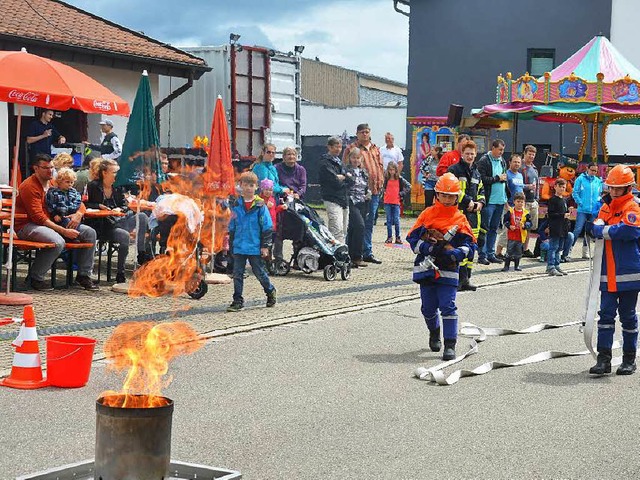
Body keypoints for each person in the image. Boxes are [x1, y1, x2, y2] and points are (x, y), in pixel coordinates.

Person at [406, 173, 476, 361]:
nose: (446, 199)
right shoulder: (427, 214)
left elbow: (470, 245)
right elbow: (412, 239)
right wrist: (427, 247)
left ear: (456, 197)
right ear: (437, 195)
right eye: (443, 195)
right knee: (427, 308)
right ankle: (434, 332)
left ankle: (450, 345)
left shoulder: (460, 219)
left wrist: (457, 253)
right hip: (426, 268)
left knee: (448, 306)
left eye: (450, 196)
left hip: (449, 268)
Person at [14, 154, 97, 291]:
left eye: (52, 167)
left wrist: (79, 214)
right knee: (58, 241)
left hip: (57, 222)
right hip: (27, 226)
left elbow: (77, 199)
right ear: (35, 168)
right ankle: (35, 277)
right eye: (45, 168)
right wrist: (64, 231)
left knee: (90, 233)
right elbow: (38, 217)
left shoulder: (54, 181)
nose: (50, 171)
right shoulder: (29, 186)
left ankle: (84, 275)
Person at [588, 164, 640, 375]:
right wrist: (598, 228)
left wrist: (603, 230)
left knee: (627, 316)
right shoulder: (606, 206)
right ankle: (604, 360)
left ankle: (629, 359)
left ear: (628, 188)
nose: (614, 192)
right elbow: (593, 227)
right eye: (611, 188)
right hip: (607, 273)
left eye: (618, 189)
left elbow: (629, 231)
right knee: (606, 315)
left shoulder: (634, 206)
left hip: (629, 273)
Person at [86, 159, 152, 284]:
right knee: (124, 235)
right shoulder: (93, 186)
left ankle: (141, 253)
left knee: (142, 216)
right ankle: (120, 272)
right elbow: (86, 203)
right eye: (115, 172)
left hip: (119, 220)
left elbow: (125, 205)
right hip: (105, 225)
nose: (118, 175)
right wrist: (99, 206)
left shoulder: (118, 187)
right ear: (105, 173)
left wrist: (120, 208)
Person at [227, 171, 277, 312]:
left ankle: (270, 290)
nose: (248, 188)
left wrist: (265, 246)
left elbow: (267, 227)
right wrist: (230, 244)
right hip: (239, 245)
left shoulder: (260, 206)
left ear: (256, 187)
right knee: (237, 274)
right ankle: (237, 300)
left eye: (251, 185)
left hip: (255, 246)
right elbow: (232, 226)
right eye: (245, 184)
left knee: (259, 272)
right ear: (240, 185)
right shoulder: (236, 204)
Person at [343, 123, 383, 264]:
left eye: (367, 132)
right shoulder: (351, 149)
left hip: (373, 191)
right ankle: (351, 253)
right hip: (354, 195)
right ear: (357, 133)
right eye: (362, 132)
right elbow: (345, 167)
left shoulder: (375, 148)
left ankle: (367, 251)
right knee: (356, 225)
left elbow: (379, 166)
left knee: (369, 223)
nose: (365, 134)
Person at [448, 141, 485, 291]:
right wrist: (468, 201)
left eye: (472, 153)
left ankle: (467, 279)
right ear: (462, 154)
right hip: (458, 214)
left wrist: (480, 203)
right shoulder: (454, 170)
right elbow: (453, 190)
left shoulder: (476, 172)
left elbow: (481, 190)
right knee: (459, 247)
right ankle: (458, 280)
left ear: (475, 155)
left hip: (474, 216)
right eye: (467, 153)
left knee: (471, 247)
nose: (470, 156)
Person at [476, 139, 507, 264]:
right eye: (499, 149)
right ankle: (481, 255)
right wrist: (497, 178)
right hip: (489, 200)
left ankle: (490, 253)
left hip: (500, 200)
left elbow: (503, 177)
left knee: (494, 228)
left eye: (503, 150)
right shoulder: (484, 161)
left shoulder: (502, 161)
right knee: (484, 228)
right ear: (493, 148)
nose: (501, 152)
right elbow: (481, 178)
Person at [319, 137, 349, 244]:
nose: (338, 149)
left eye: (340, 147)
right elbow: (334, 181)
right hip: (332, 199)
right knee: (336, 229)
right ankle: (336, 255)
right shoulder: (325, 162)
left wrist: (344, 177)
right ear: (329, 147)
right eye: (336, 146)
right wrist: (344, 177)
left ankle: (342, 253)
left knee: (344, 230)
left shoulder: (340, 162)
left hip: (343, 199)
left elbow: (351, 180)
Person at [571, 162, 603, 259]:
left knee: (589, 231)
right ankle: (569, 249)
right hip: (582, 209)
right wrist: (580, 202)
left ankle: (585, 251)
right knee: (578, 229)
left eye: (595, 171)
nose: (593, 172)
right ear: (587, 169)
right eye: (592, 170)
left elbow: (599, 194)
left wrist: (597, 206)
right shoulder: (580, 179)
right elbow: (575, 192)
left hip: (593, 210)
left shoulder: (598, 181)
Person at [496, 153, 524, 259]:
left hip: (519, 207)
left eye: (518, 162)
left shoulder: (520, 175)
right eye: (514, 162)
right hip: (509, 205)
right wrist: (506, 205)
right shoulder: (506, 174)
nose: (516, 164)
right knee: (506, 229)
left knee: (515, 230)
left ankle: (510, 252)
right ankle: (498, 252)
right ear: (510, 162)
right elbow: (503, 190)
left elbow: (521, 190)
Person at [344, 147, 369, 268]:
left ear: (361, 159)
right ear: (349, 158)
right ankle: (357, 257)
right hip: (351, 202)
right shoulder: (346, 170)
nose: (355, 160)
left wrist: (368, 193)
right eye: (353, 157)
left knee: (354, 229)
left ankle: (351, 256)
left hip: (362, 203)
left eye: (358, 158)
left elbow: (366, 186)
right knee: (360, 226)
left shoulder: (364, 172)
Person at [501, 192, 532, 272]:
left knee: (518, 252)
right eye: (518, 201)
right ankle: (506, 266)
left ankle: (517, 266)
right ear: (514, 202)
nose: (520, 203)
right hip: (512, 235)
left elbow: (529, 223)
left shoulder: (526, 213)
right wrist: (509, 226)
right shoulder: (510, 211)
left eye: (522, 202)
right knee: (509, 251)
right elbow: (505, 221)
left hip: (520, 236)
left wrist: (525, 226)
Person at [546, 178, 571, 276]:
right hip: (555, 227)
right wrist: (562, 215)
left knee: (559, 248)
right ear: (555, 187)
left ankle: (557, 265)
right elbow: (551, 214)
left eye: (564, 187)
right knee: (553, 247)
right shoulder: (552, 200)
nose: (562, 189)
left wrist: (567, 215)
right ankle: (550, 266)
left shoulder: (563, 200)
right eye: (560, 187)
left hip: (562, 227)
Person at [258, 178, 286, 263]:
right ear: (262, 189)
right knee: (265, 245)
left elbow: (274, 211)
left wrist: (280, 208)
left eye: (270, 190)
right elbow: (256, 206)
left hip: (273, 226)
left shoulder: (272, 199)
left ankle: (271, 261)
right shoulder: (259, 199)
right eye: (266, 189)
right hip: (263, 227)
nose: (268, 192)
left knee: (272, 243)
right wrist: (265, 205)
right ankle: (265, 261)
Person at [382, 161, 410, 244]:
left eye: (393, 170)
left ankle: (398, 237)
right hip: (387, 201)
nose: (391, 172)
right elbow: (382, 187)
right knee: (389, 220)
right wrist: (383, 192)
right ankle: (389, 237)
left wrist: (401, 193)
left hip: (396, 201)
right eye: (390, 170)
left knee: (396, 220)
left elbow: (409, 186)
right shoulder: (386, 179)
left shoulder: (400, 179)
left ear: (396, 170)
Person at [520, 145, 539, 257]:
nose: (531, 156)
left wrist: (537, 198)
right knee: (521, 225)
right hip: (523, 201)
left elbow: (537, 185)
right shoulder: (520, 167)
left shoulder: (534, 168)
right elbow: (516, 183)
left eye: (533, 154)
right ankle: (518, 248)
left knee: (530, 227)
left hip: (533, 201)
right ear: (525, 153)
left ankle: (525, 248)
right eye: (529, 154)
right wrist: (527, 187)